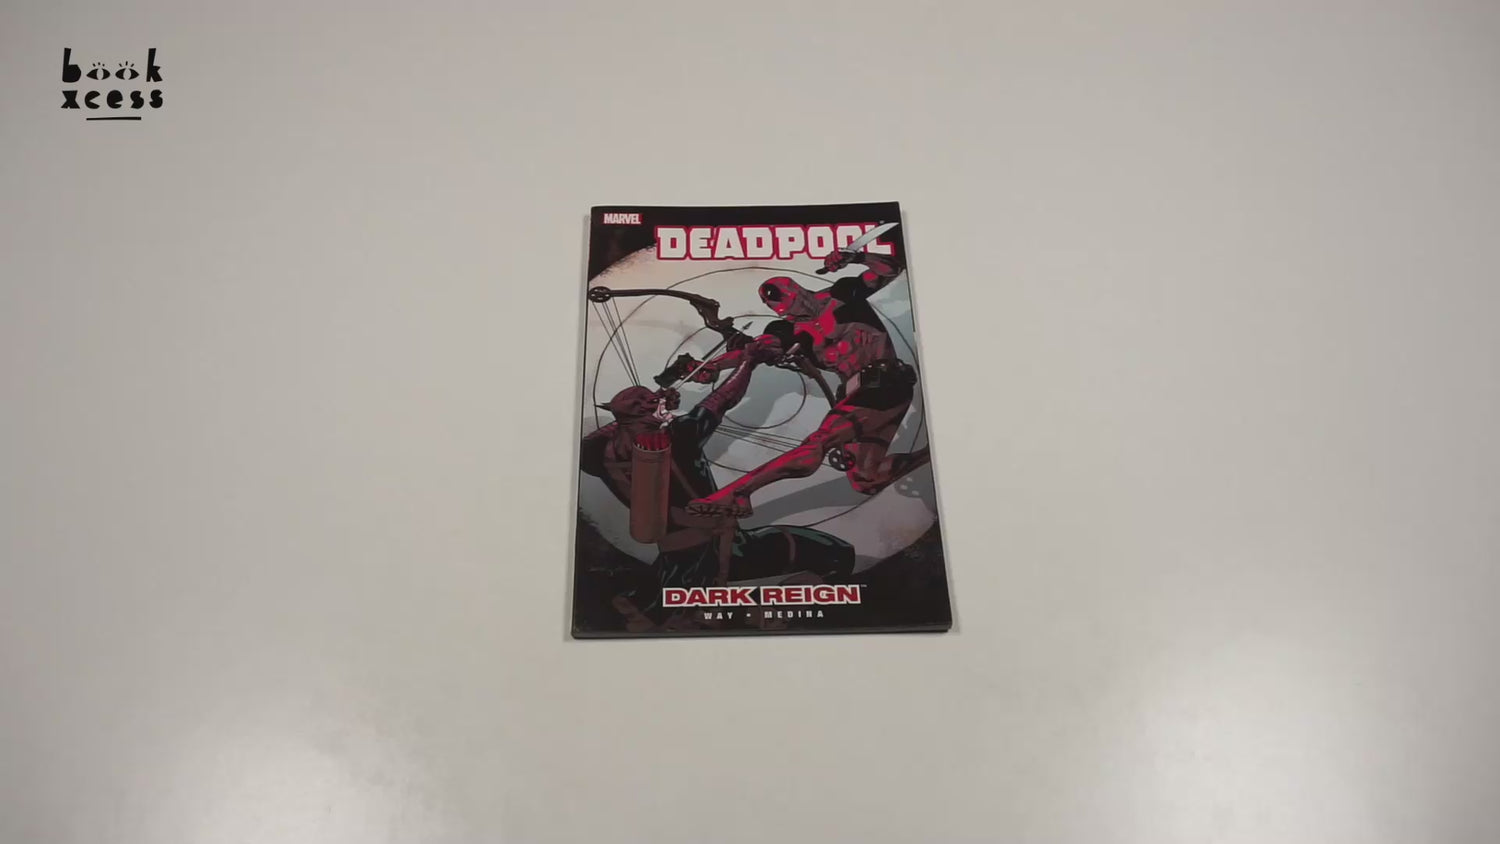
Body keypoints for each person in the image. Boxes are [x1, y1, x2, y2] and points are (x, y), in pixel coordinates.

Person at [580, 342, 855, 630]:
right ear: (642, 411)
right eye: (648, 401)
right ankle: (766, 611)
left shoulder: (597, 454)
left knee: (649, 611)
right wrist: (749, 361)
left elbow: (600, 436)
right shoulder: (680, 436)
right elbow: (722, 399)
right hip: (713, 552)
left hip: (676, 558)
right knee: (836, 555)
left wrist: (643, 410)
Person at [684, 247, 930, 518]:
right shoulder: (792, 331)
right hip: (858, 397)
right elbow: (757, 348)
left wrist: (857, 257)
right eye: (781, 311)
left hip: (886, 383)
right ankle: (933, 455)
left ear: (798, 290)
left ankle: (739, 493)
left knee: (819, 442)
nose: (790, 314)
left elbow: (890, 269)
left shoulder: (843, 294)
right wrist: (712, 366)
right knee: (866, 478)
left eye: (792, 305)